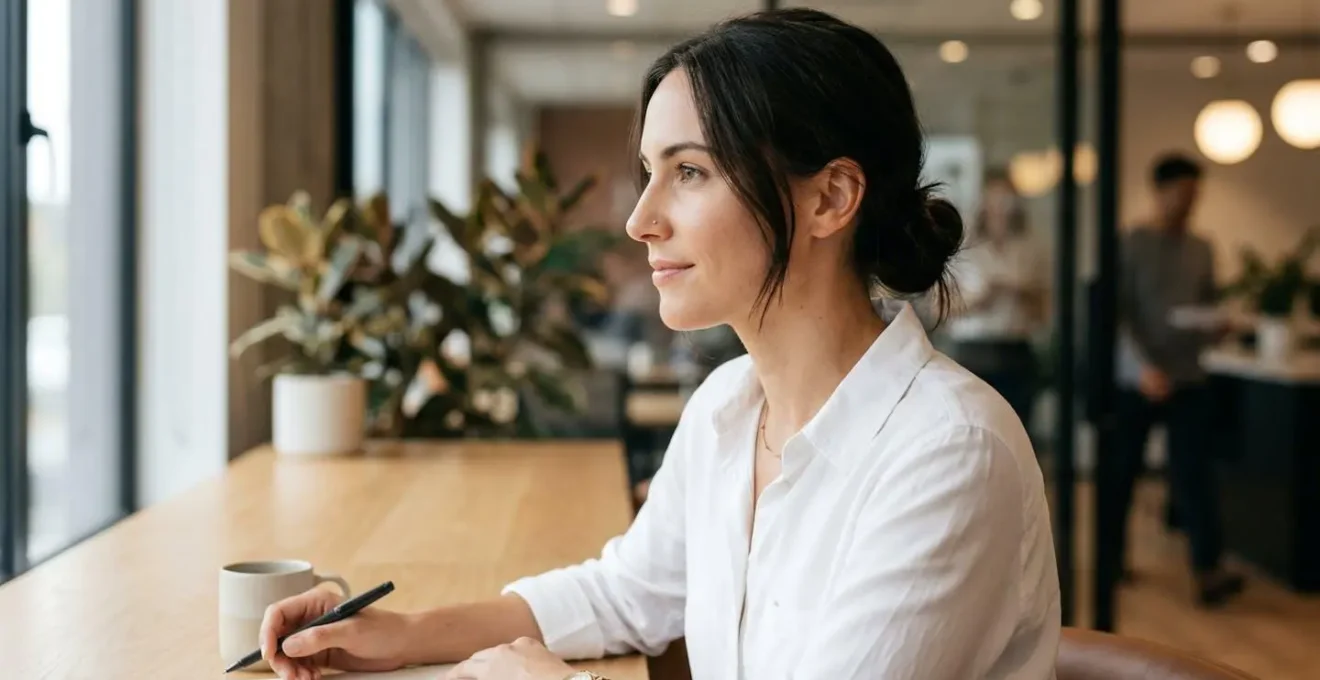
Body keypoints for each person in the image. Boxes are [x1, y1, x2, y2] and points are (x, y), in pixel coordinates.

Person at [259, 10, 1060, 680]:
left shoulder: (949, 454)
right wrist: (402, 634)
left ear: (830, 198)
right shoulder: (727, 407)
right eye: (649, 171)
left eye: (690, 172)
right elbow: (623, 592)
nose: (640, 219)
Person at [1106, 152, 1243, 607]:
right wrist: (1141, 368)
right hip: (1138, 377)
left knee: (1195, 474)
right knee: (1122, 472)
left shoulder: (1202, 248)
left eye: (1194, 196)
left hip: (1187, 376)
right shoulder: (1132, 244)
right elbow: (1117, 315)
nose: (1188, 204)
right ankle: (1110, 562)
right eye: (1182, 194)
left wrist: (1218, 324)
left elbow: (1209, 304)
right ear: (1159, 192)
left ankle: (1208, 570)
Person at [946, 168, 1048, 433]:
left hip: (1016, 348)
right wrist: (982, 297)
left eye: (1008, 198)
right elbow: (940, 310)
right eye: (996, 197)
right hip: (974, 350)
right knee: (973, 428)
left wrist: (1021, 292)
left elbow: (1043, 310)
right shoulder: (963, 248)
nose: (1002, 205)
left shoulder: (1029, 247)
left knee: (1018, 430)